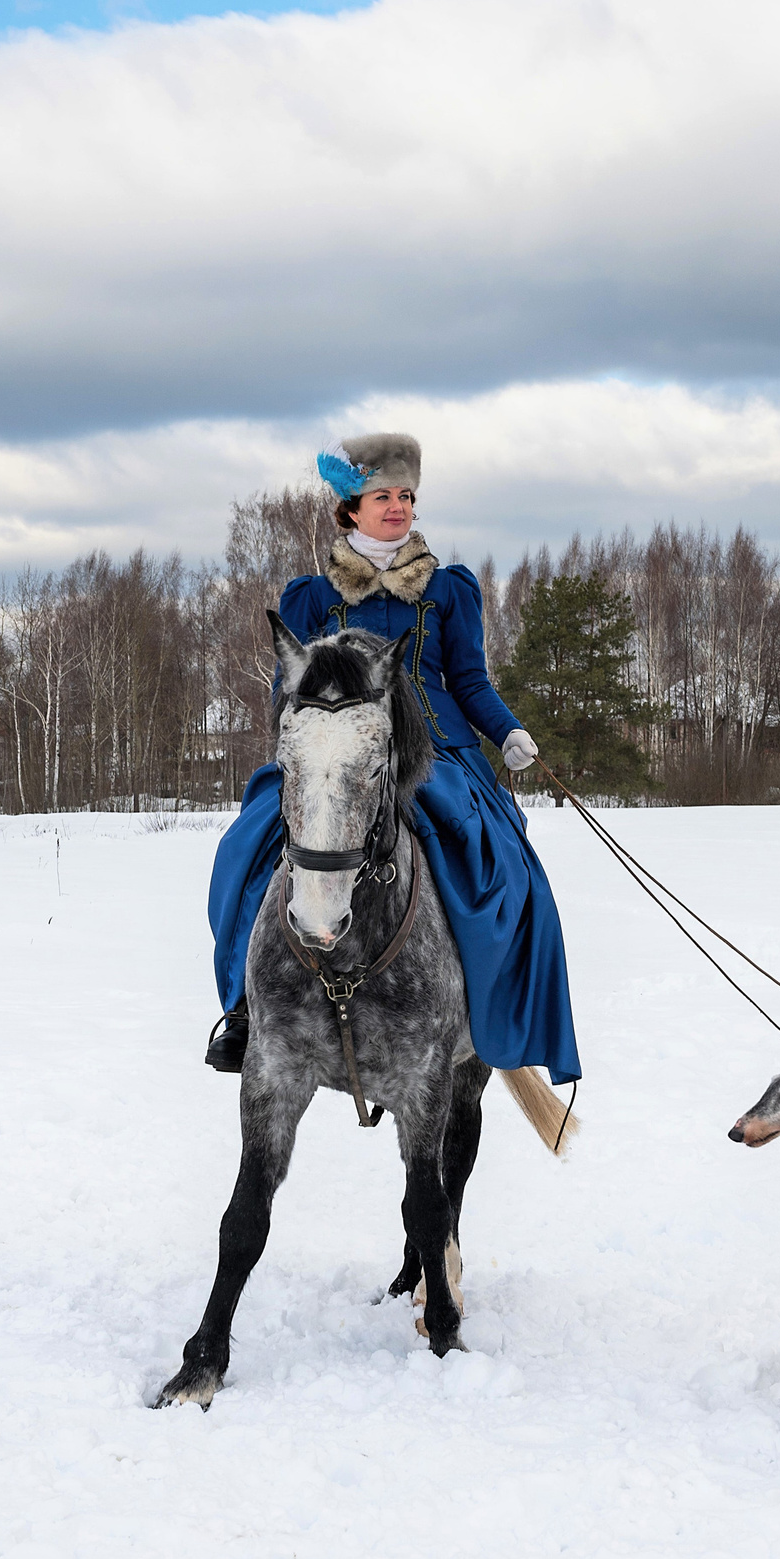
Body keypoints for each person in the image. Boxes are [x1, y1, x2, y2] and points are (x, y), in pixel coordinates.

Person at [203, 433, 582, 1088]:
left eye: (407, 495)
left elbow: (469, 681)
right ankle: (244, 1006)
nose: (399, 506)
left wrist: (508, 730)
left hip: (441, 754)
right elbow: (285, 692)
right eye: (384, 496)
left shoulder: (450, 590)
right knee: (246, 844)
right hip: (330, 753)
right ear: (352, 507)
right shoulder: (310, 597)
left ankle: (493, 1007)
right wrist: (300, 754)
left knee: (509, 864)